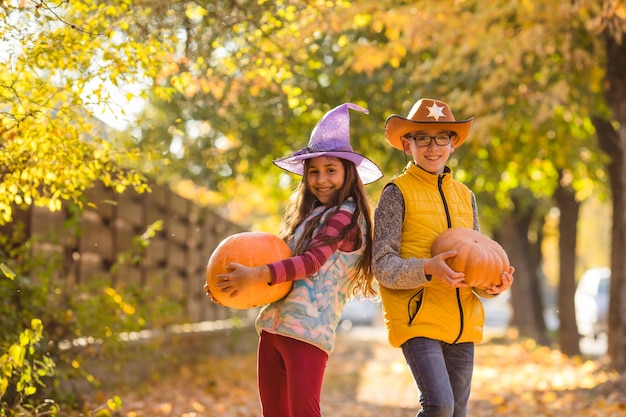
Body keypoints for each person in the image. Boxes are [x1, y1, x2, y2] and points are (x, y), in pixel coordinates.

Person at [206, 103, 383, 417]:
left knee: (304, 412)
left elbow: (311, 262)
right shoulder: (309, 217)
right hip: (274, 328)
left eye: (331, 170)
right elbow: (278, 266)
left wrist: (256, 274)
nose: (321, 179)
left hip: (308, 332)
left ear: (348, 173)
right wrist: (232, 287)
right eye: (313, 171)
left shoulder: (346, 216)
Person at [372, 98, 514, 417]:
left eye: (441, 138)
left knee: (457, 412)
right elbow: (382, 265)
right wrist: (428, 269)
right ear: (408, 145)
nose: (432, 146)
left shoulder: (466, 196)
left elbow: (474, 265)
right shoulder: (396, 192)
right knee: (439, 406)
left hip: (462, 322)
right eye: (422, 138)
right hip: (417, 318)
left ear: (453, 144)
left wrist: (491, 286)